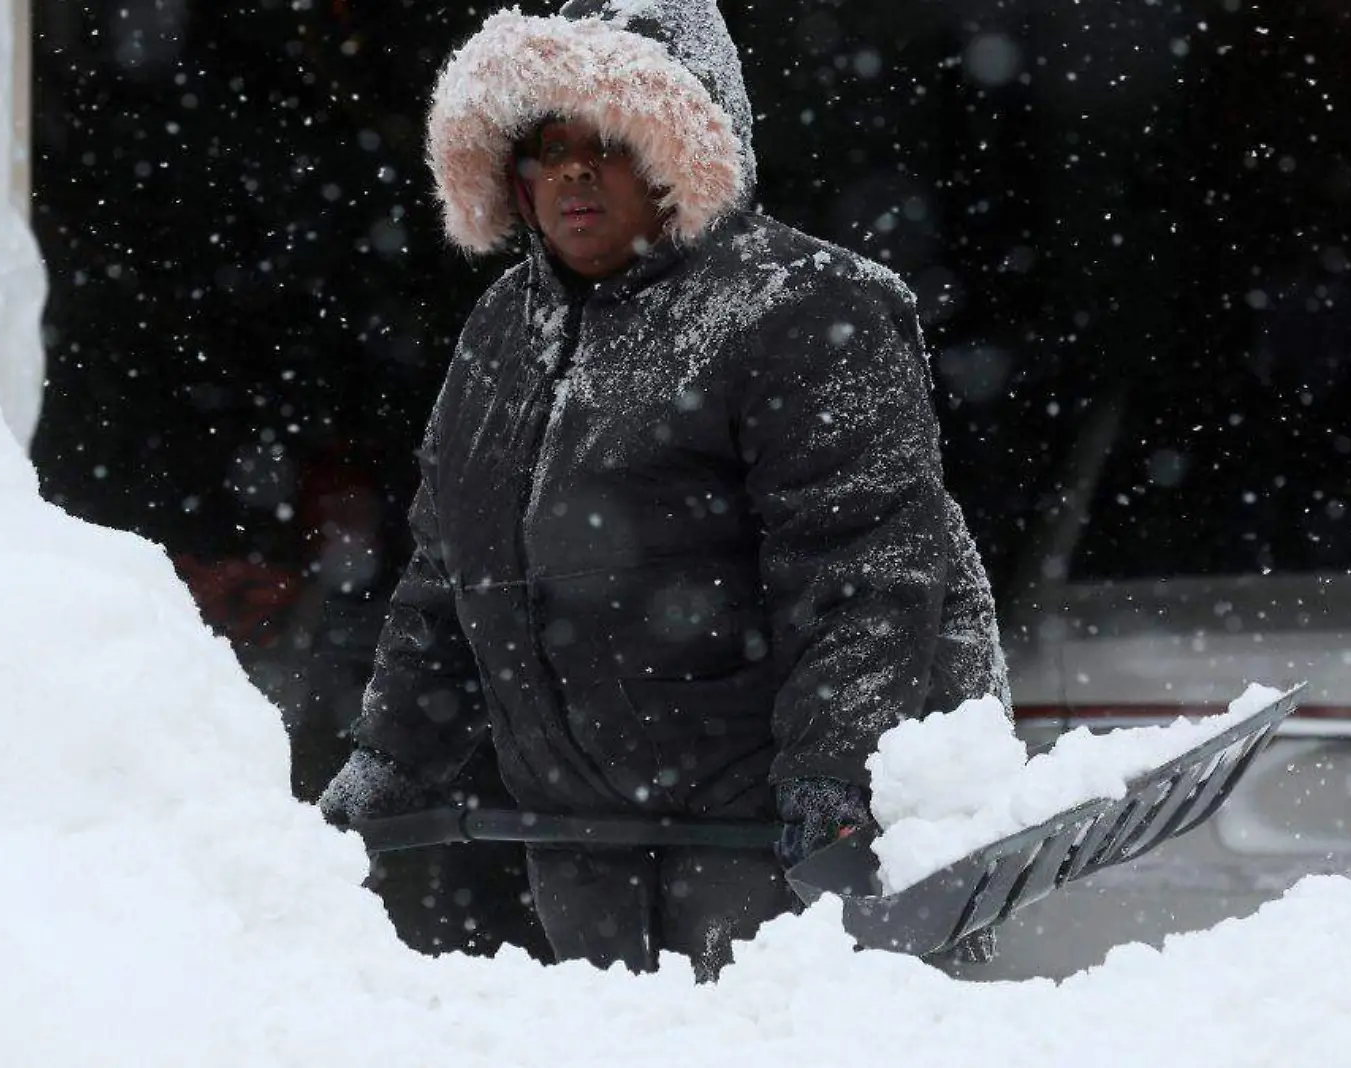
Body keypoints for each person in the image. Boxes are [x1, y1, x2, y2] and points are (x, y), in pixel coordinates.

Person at [318, 0, 1008, 981]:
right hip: (573, 849)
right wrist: (391, 759)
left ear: (682, 140)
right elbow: (446, 577)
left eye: (605, 138)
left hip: (765, 855)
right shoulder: (499, 332)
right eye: (544, 147)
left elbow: (865, 568)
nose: (570, 172)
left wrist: (833, 779)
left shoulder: (803, 305)